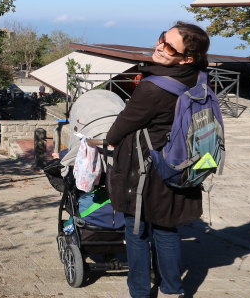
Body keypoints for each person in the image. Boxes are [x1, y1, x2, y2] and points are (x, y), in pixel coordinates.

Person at [106, 22, 210, 298]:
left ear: (186, 57)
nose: (159, 47)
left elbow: (122, 125)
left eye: (169, 46)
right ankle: (172, 289)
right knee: (166, 228)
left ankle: (140, 292)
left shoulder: (154, 88)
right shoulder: (198, 76)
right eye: (162, 39)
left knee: (137, 231)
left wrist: (110, 141)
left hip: (146, 170)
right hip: (180, 164)